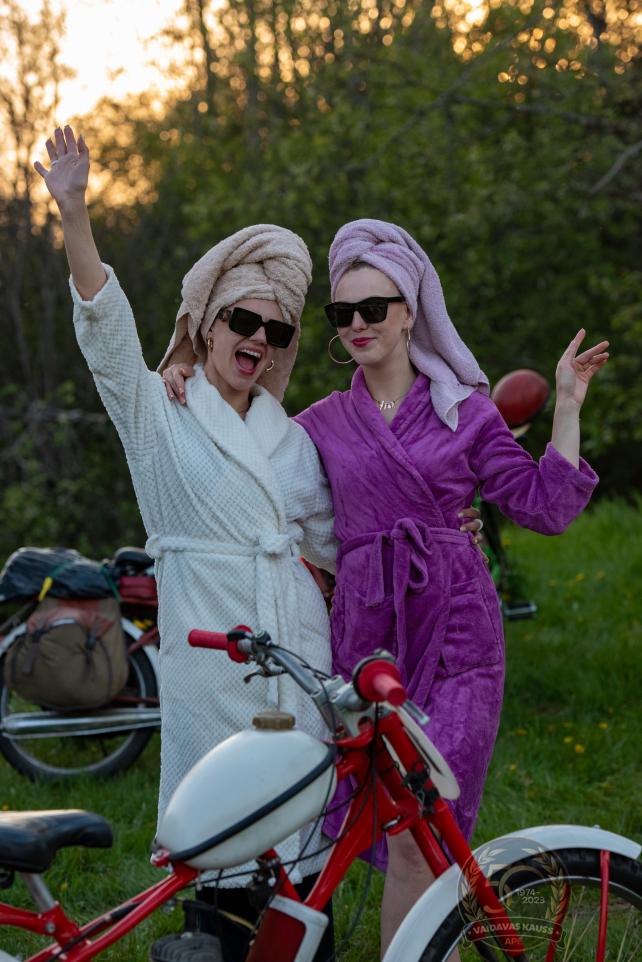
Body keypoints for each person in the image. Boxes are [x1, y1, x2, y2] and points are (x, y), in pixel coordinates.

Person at [164, 218, 608, 957]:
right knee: (393, 825)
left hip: (458, 634)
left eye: (375, 307)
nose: (359, 323)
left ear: (411, 312)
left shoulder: (465, 411)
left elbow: (545, 508)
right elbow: (243, 460)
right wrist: (186, 375)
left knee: (425, 827)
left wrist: (567, 402)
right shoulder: (320, 424)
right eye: (343, 313)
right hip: (368, 643)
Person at [34, 125, 339, 962]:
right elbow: (107, 340)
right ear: (207, 324)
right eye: (243, 319)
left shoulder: (292, 441)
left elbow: (334, 542)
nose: (258, 339)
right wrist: (75, 214)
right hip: (214, 667)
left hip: (296, 661)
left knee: (303, 883)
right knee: (224, 861)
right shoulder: (158, 417)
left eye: (277, 331)